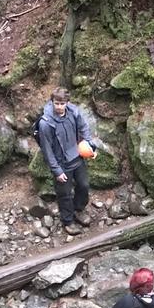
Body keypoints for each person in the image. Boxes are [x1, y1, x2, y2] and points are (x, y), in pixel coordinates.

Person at [35, 87, 98, 235]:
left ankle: (78, 209)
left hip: (77, 157)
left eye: (62, 103)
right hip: (61, 163)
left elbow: (84, 128)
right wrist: (56, 170)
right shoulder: (46, 123)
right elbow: (47, 149)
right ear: (52, 102)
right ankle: (68, 221)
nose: (59, 106)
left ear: (67, 103)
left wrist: (90, 147)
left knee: (84, 185)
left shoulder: (74, 112)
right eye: (56, 103)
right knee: (64, 194)